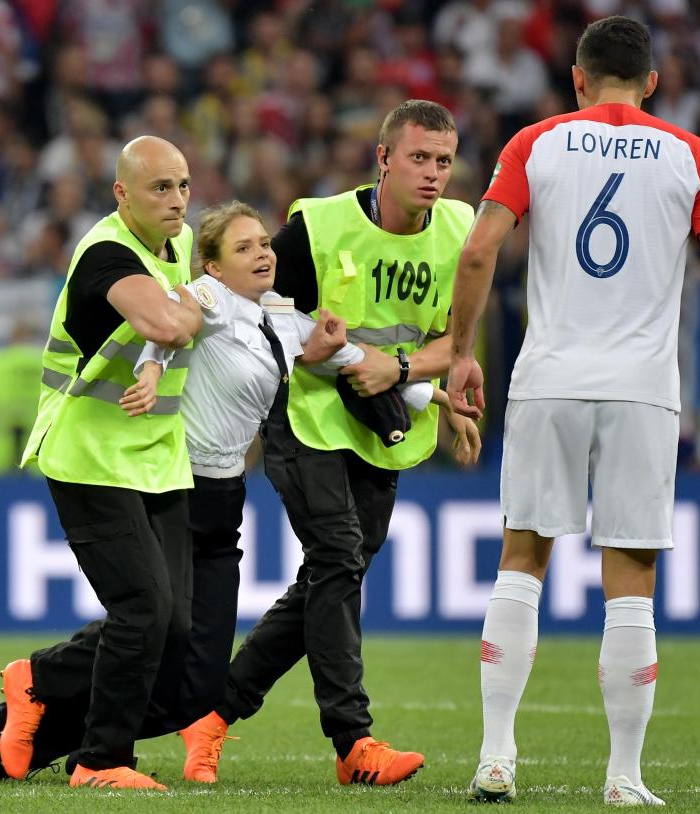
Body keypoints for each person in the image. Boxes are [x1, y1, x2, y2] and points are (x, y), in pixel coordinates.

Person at [0, 200, 481, 783]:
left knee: (195, 685)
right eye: (244, 247)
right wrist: (153, 369)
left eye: (264, 243)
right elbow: (168, 322)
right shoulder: (207, 300)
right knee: (154, 629)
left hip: (225, 498)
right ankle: (51, 702)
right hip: (179, 490)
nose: (263, 252)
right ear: (210, 265)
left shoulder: (284, 320)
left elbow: (363, 363)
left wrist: (443, 400)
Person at [446, 16, 700, 806]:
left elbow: (477, 250)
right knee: (632, 578)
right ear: (652, 82)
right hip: (642, 388)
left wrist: (461, 350)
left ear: (577, 78)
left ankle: (496, 758)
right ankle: (623, 777)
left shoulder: (535, 143)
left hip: (548, 377)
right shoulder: (693, 155)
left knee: (522, 560)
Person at [180, 99, 475, 788]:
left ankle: (215, 713)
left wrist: (427, 383)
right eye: (419, 159)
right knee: (339, 557)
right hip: (308, 416)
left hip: (386, 421)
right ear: (383, 159)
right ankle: (353, 742)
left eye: (443, 161)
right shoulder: (318, 227)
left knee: (330, 577)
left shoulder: (461, 230)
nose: (433, 175)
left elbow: (453, 341)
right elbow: (250, 300)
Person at [6, 134, 200, 792]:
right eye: (160, 188)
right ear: (122, 194)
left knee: (172, 625)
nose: (177, 201)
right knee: (143, 611)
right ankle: (100, 761)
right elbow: (170, 325)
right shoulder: (105, 252)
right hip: (87, 453)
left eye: (182, 185)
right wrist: (199, 305)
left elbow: (185, 323)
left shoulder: (184, 243)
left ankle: (33, 682)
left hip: (156, 457)